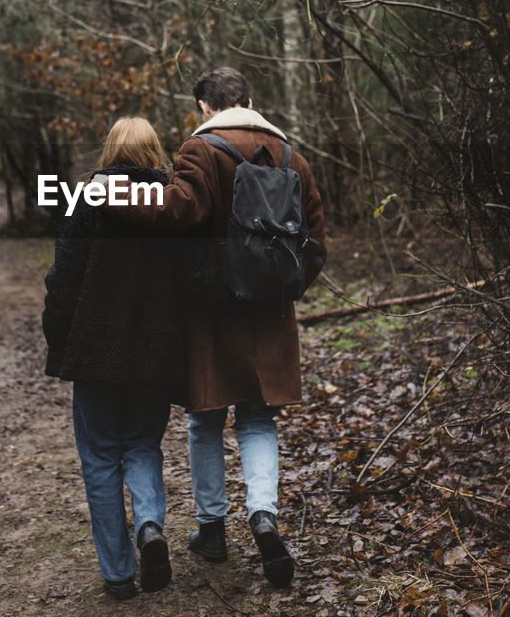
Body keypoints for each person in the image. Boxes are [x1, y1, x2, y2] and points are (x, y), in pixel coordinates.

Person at [116, 67, 327, 588]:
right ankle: (263, 516)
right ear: (250, 101)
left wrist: (113, 194)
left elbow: (176, 210)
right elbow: (316, 240)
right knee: (257, 418)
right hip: (269, 312)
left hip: (211, 309)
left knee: (206, 419)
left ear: (205, 108)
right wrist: (286, 286)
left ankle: (212, 529)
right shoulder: (289, 154)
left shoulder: (201, 150)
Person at [41, 117, 187, 601]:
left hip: (96, 351)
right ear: (155, 153)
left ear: (109, 152)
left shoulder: (85, 200)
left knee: (101, 456)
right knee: (142, 445)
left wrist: (59, 337)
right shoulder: (171, 202)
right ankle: (149, 525)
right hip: (155, 349)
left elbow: (63, 278)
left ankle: (118, 574)